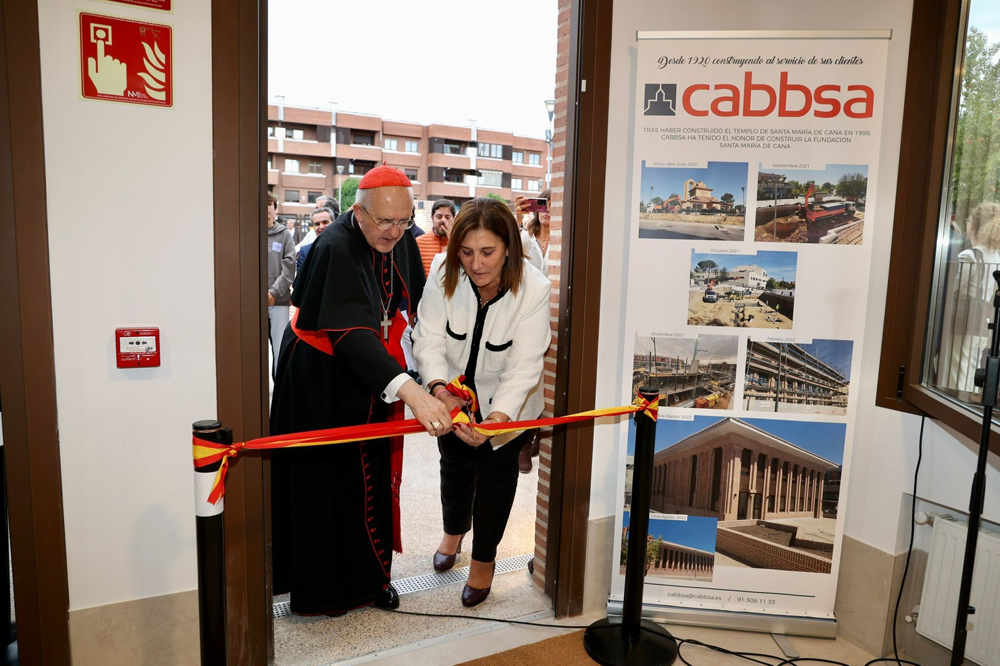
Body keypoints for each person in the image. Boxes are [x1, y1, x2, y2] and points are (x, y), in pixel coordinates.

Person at [270, 165, 453, 616]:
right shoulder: (334, 244)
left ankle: (375, 579)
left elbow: (413, 309)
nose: (394, 232)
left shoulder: (401, 238)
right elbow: (349, 337)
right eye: (384, 221)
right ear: (359, 211)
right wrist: (413, 393)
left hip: (376, 375)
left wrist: (433, 377)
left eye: (404, 221)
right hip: (322, 380)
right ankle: (326, 592)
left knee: (372, 478)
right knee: (330, 486)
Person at [412, 197, 551, 607]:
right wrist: (441, 395)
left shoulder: (534, 289)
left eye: (487, 252)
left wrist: (493, 421)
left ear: (508, 247)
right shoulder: (442, 270)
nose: (476, 264)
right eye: (467, 252)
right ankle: (453, 531)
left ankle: (484, 561)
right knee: (453, 469)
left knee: (494, 481)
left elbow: (525, 367)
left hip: (506, 408)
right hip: (451, 398)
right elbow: (430, 339)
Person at [511, 190, 553, 472]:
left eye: (554, 205)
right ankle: (524, 440)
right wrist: (516, 217)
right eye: (543, 204)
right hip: (529, 318)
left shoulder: (569, 237)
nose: (548, 210)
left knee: (551, 382)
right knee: (531, 378)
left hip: (558, 320)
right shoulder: (527, 240)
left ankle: (540, 431)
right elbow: (509, 248)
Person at [266, 192, 295, 378]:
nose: (267, 209)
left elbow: (289, 267)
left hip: (279, 301)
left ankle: (279, 388)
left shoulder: (284, 235)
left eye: (270, 205)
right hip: (253, 303)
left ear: (275, 209)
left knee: (280, 347)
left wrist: (273, 292)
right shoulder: (249, 233)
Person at [513, 189, 551, 275]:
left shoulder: (562, 243)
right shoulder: (527, 238)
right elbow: (508, 250)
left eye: (552, 206)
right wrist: (518, 220)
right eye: (543, 204)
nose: (547, 210)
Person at [415, 199, 456, 277]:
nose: (443, 220)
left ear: (454, 219)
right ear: (432, 218)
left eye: (447, 217)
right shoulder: (418, 243)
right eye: (439, 217)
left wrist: (454, 240)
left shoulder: (461, 243)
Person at [296, 207, 334, 274]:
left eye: (325, 222)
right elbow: (301, 281)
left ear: (334, 223)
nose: (321, 227)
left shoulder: (345, 247)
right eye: (317, 224)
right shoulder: (305, 252)